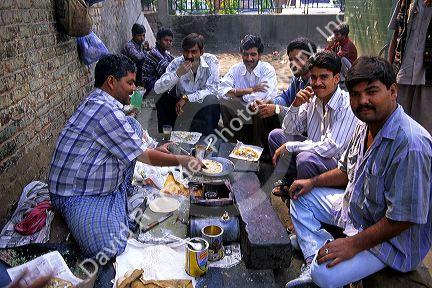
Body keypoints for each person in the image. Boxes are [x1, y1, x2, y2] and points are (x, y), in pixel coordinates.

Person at [286, 56, 432, 288]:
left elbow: (403, 219)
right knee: (299, 196)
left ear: (393, 91)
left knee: (323, 274)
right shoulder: (364, 125)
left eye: (372, 92)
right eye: (355, 94)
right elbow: (345, 171)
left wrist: (352, 245)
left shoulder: (411, 144)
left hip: (390, 242)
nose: (363, 101)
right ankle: (314, 249)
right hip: (354, 212)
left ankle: (316, 253)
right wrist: (312, 182)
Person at [48, 54, 202, 261]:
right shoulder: (104, 109)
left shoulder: (100, 101)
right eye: (129, 83)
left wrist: (156, 147)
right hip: (74, 195)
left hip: (90, 184)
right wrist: (181, 161)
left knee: (133, 126)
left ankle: (118, 196)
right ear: (111, 82)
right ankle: (117, 197)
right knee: (108, 248)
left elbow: (137, 144)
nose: (133, 88)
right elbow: (145, 156)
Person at [269, 51, 357, 197]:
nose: (317, 83)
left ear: (336, 78)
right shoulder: (311, 98)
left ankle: (306, 199)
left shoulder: (346, 104)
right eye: (314, 77)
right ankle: (291, 183)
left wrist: (291, 146)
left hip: (337, 166)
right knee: (276, 137)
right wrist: (296, 105)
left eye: (324, 77)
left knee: (305, 159)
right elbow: (289, 129)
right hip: (313, 151)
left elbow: (331, 148)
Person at [154, 33, 220, 135]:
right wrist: (178, 74)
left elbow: (213, 89)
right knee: (161, 96)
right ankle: (165, 137)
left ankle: (208, 140)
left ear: (201, 52)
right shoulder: (177, 63)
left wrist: (187, 98)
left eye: (193, 52)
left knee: (212, 99)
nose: (189, 56)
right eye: (186, 51)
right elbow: (157, 88)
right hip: (179, 107)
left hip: (200, 105)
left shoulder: (211, 61)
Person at [218, 34, 278, 147]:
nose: (249, 58)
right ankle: (232, 142)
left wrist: (239, 95)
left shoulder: (268, 70)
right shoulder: (236, 69)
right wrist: (245, 93)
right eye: (246, 54)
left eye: (253, 54)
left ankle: (257, 147)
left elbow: (261, 96)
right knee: (224, 101)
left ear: (260, 55)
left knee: (257, 105)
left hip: (264, 113)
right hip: (243, 110)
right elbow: (222, 90)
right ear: (241, 54)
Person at [388, 0, 432, 133]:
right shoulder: (405, 2)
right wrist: (388, 70)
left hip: (428, 78)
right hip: (402, 75)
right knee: (396, 125)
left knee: (425, 129)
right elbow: (397, 35)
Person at [256, 37, 317, 120]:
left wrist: (276, 109)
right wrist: (270, 102)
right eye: (291, 59)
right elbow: (286, 98)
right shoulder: (298, 79)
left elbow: (304, 117)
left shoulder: (317, 84)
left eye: (298, 59)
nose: (292, 64)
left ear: (310, 60)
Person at [142, 28, 176, 132]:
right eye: (166, 40)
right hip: (151, 86)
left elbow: (174, 62)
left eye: (170, 41)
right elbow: (169, 70)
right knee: (168, 95)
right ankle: (165, 131)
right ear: (158, 40)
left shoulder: (164, 53)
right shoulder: (154, 54)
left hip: (157, 83)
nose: (168, 43)